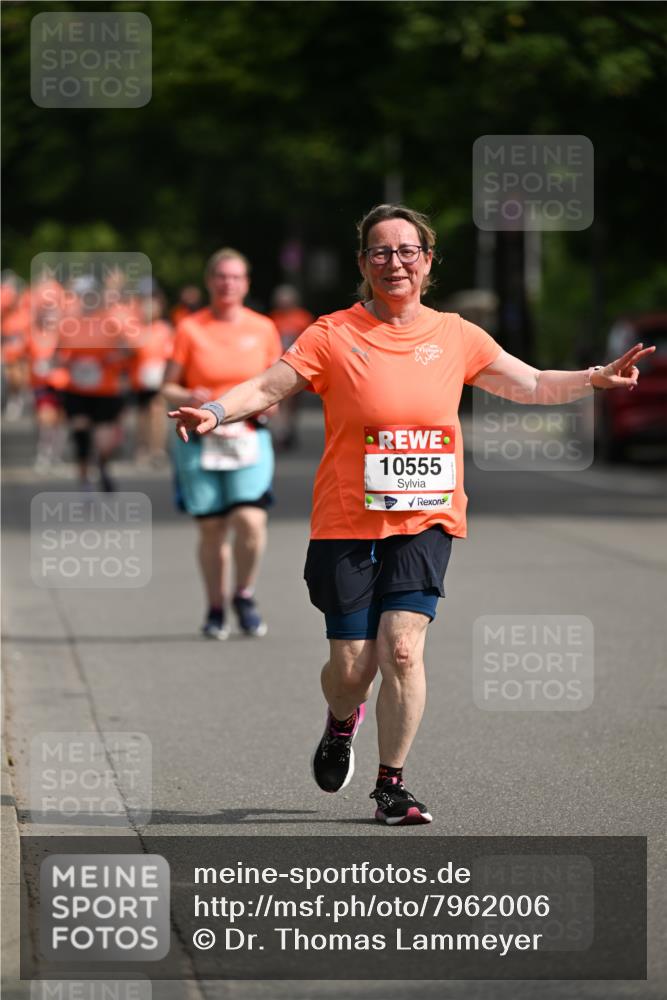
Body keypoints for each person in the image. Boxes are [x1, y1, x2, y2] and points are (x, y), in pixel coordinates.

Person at [169, 204, 655, 826]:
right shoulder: (332, 333)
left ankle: (391, 786)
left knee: (401, 650)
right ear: (363, 263)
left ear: (427, 261)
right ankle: (341, 719)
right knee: (352, 670)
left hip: (426, 516)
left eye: (407, 251)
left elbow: (530, 383)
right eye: (380, 251)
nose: (394, 262)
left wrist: (594, 378)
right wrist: (214, 412)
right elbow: (268, 387)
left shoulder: (456, 335)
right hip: (346, 520)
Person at [162, 248, 282, 640]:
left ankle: (243, 594)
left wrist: (272, 404)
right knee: (212, 527)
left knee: (250, 520)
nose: (228, 284)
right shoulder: (189, 328)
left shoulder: (263, 328)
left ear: (246, 284)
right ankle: (215, 608)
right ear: (209, 281)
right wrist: (188, 394)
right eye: (221, 276)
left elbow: (277, 383)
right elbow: (166, 386)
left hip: (247, 436)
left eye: (235, 277)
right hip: (199, 439)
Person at [269, 285, 314, 449]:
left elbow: (311, 340)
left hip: (299, 365)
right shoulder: (273, 318)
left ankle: (290, 428)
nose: (284, 304)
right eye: (281, 301)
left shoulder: (303, 318)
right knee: (281, 401)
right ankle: (282, 432)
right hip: (279, 364)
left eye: (287, 300)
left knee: (293, 403)